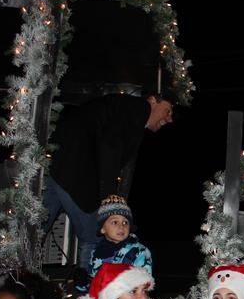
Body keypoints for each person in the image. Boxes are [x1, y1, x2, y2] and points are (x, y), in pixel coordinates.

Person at [42, 92, 173, 280]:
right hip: (76, 173)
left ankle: (16, 281)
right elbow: (111, 146)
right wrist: (109, 199)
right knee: (94, 237)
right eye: (167, 111)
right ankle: (90, 290)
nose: (169, 119)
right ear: (152, 101)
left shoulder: (119, 108)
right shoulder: (137, 108)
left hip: (57, 166)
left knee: (35, 229)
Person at [90, 194, 153, 280]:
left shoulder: (140, 252)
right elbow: (95, 286)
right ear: (102, 229)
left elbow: (143, 284)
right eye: (115, 222)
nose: (121, 226)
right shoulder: (96, 253)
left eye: (125, 223)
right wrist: (83, 284)